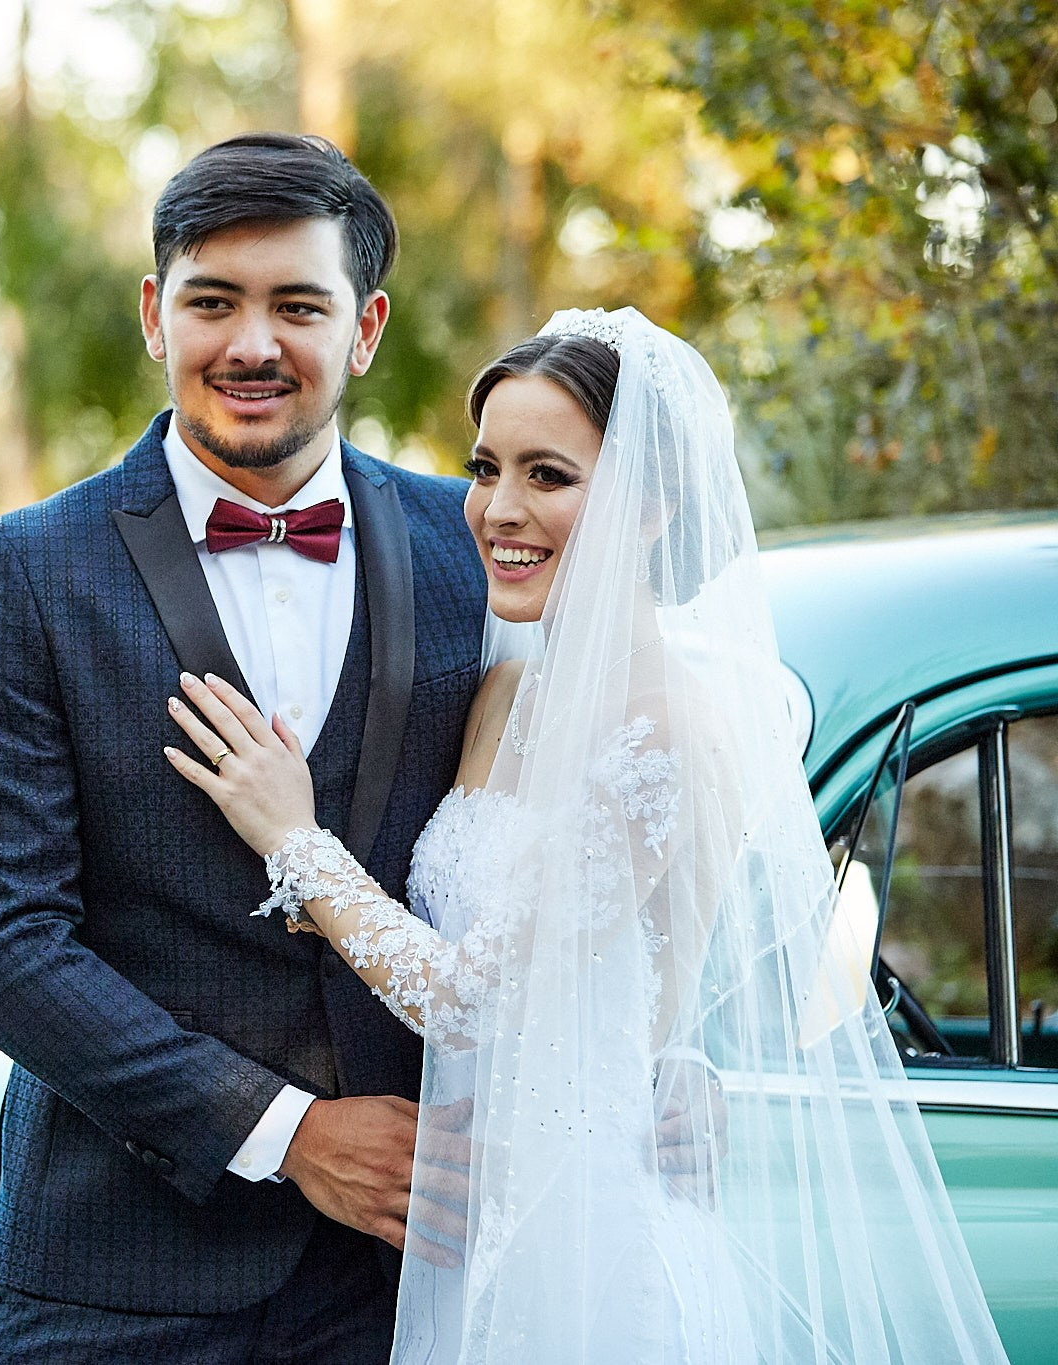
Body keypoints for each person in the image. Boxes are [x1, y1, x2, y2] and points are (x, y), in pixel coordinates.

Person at [167, 305, 1012, 1362]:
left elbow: (472, 996)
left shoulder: (659, 724)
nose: (497, 509)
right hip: (469, 1230)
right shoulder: (504, 691)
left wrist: (292, 842)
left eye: (548, 476)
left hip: (591, 1244)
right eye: (485, 468)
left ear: (648, 508)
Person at [0, 132, 487, 1360]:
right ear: (152, 313)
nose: (250, 345)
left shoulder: (475, 548)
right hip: (122, 1276)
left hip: (421, 1273)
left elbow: (583, 832)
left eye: (297, 304)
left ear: (366, 327)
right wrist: (289, 1134)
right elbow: (0, 944)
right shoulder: (26, 572)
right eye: (211, 301)